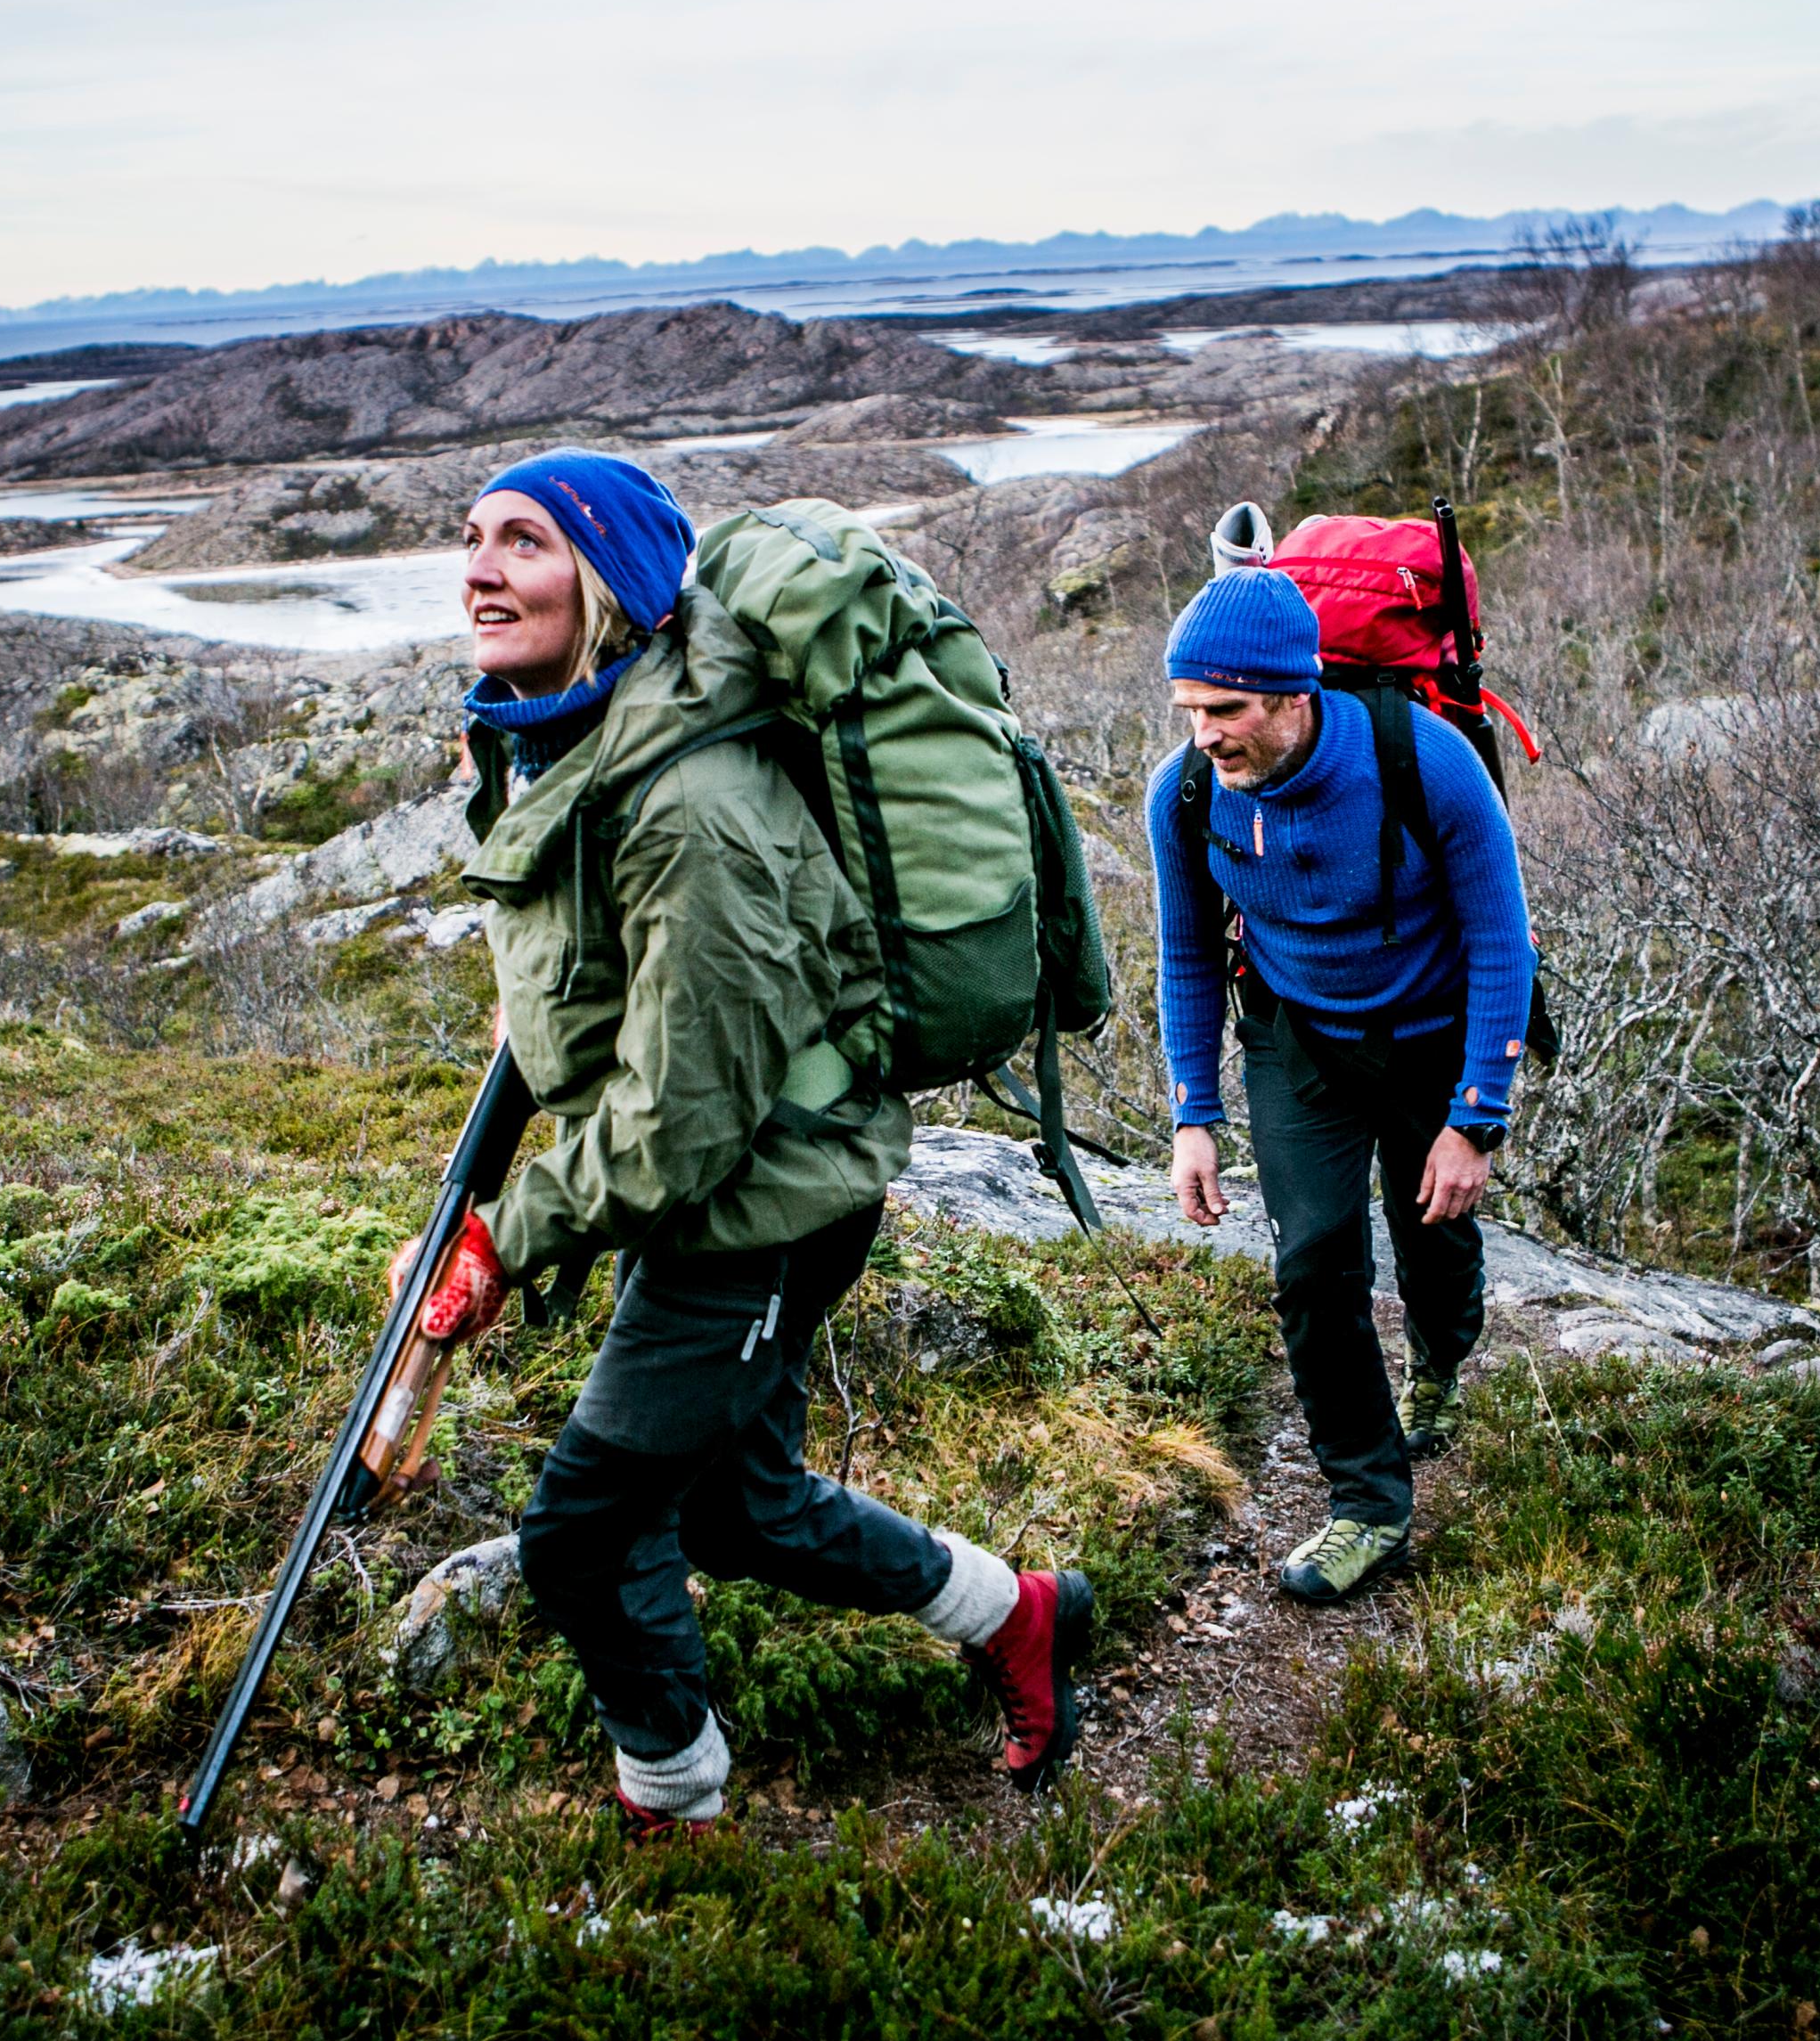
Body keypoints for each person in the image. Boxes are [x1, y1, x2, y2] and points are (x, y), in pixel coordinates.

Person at [399, 446, 1090, 1834]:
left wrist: (504, 1238)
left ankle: (675, 1800)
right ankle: (1018, 1615)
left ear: (610, 583)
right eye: (473, 538)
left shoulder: (694, 802)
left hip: (764, 1196)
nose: (481, 569)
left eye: (525, 543)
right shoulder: (582, 736)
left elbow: (678, 1126)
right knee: (732, 1508)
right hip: (731, 1183)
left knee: (583, 1535)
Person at [1146, 566, 1537, 1603]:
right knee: (1314, 1258)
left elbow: (1504, 938)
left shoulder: (1428, 762)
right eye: (1190, 712)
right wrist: (1195, 1113)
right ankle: (1368, 1505)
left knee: (1436, 1237)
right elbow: (1186, 954)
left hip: (1427, 1031)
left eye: (1224, 711)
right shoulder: (1186, 794)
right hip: (1297, 1037)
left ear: (1293, 693)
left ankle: (1444, 1359)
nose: (1205, 738)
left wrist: (1474, 1121)